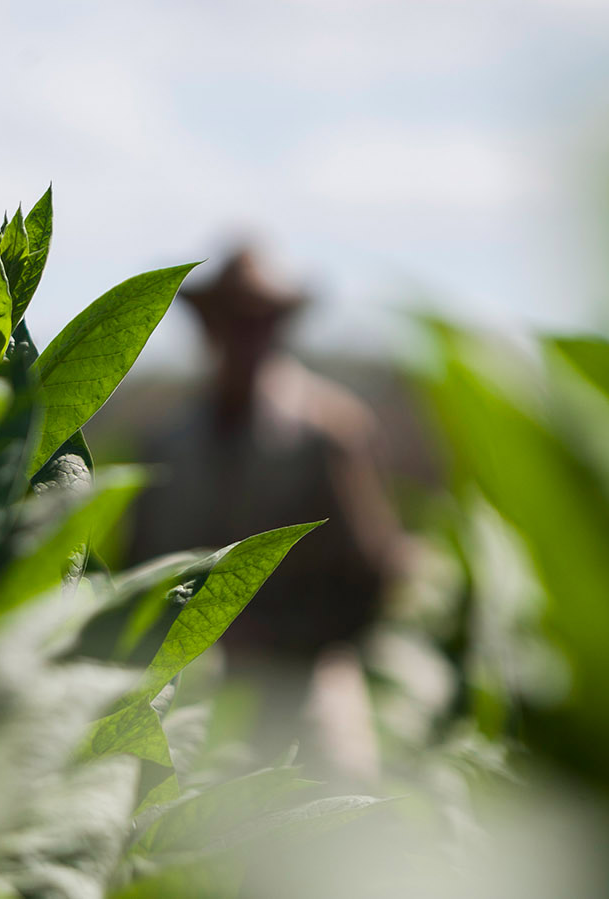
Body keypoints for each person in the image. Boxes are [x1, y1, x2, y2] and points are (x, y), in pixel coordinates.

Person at [128, 249, 403, 777]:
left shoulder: (330, 430)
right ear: (208, 326)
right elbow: (138, 564)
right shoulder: (166, 439)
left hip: (302, 688)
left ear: (280, 326)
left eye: (260, 319)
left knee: (333, 809)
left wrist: (274, 634)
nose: (245, 333)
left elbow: (376, 573)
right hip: (187, 694)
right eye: (230, 318)